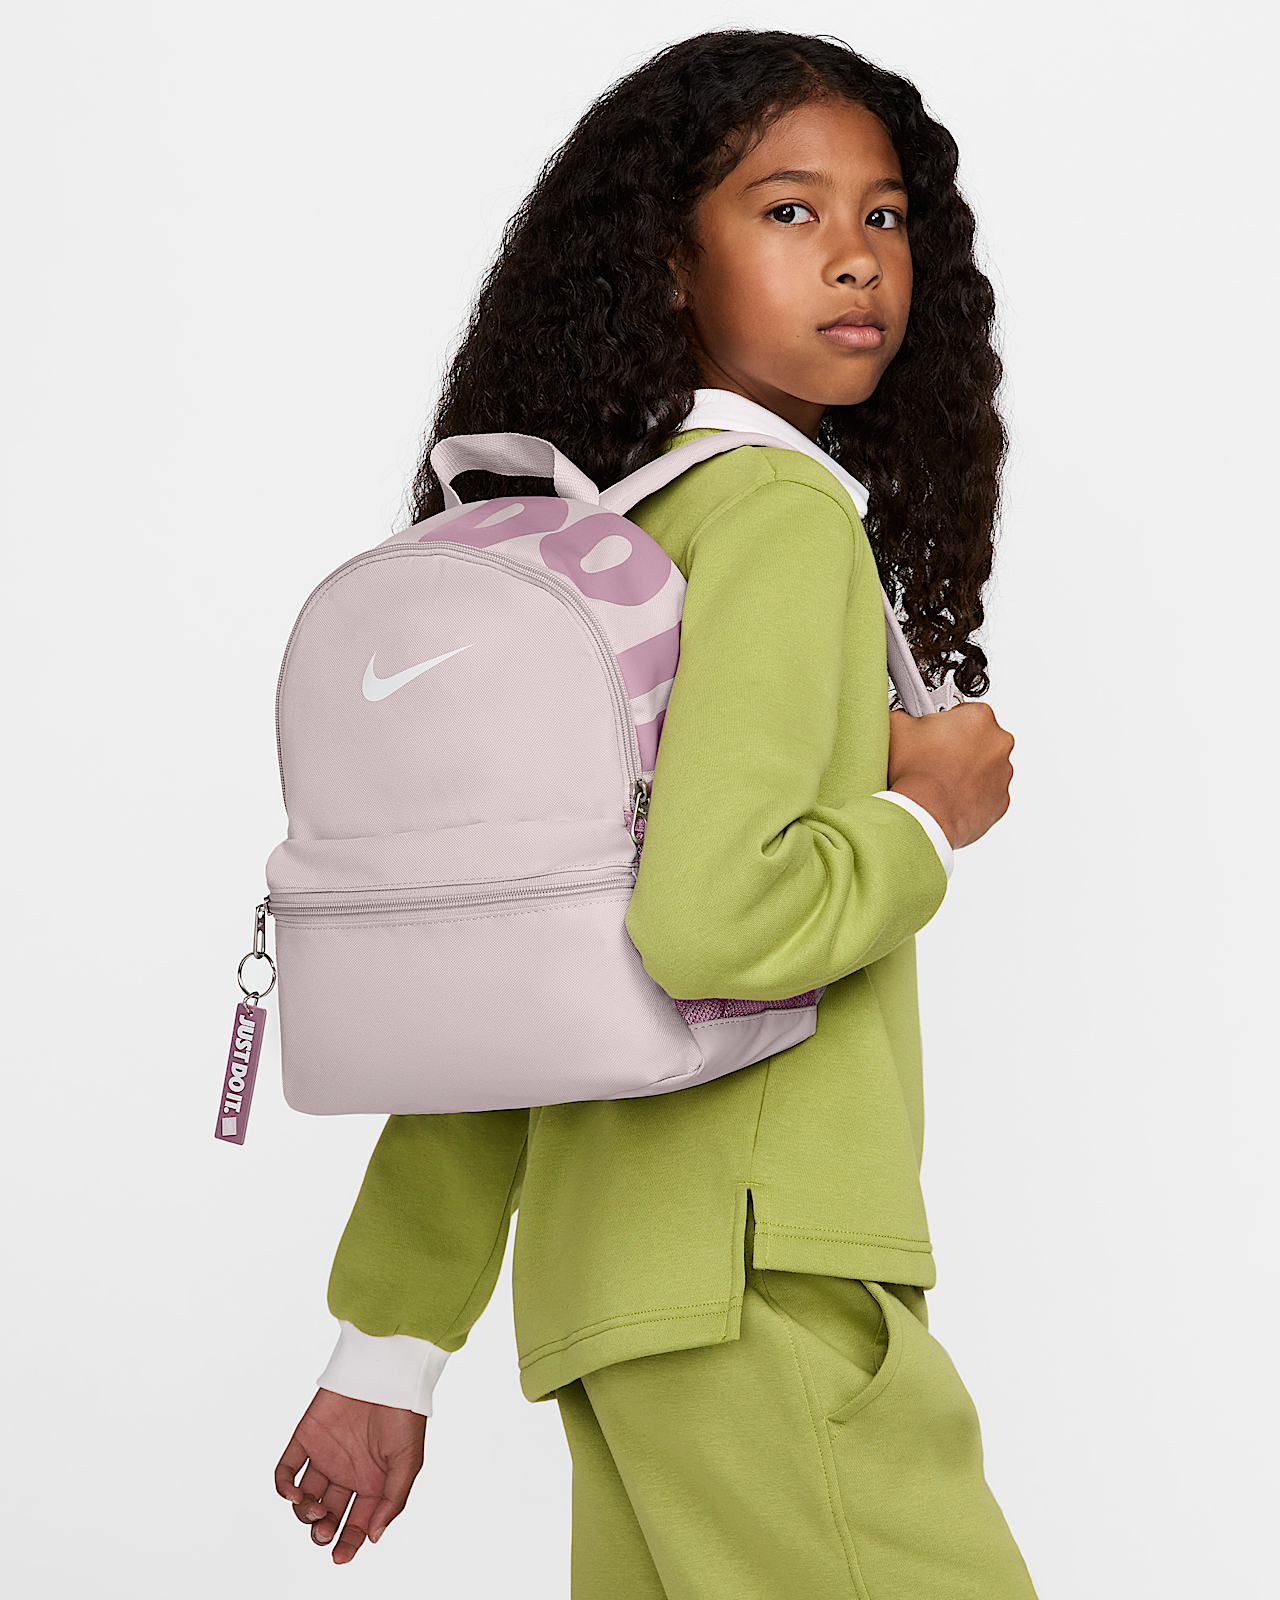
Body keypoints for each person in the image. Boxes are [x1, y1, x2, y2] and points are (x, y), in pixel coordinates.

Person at [274, 29, 1033, 1598]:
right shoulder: (776, 512)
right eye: (787, 210)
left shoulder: (601, 543)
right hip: (767, 1277)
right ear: (670, 263)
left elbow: (497, 990)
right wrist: (925, 816)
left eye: (884, 216)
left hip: (619, 1311)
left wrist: (389, 1350)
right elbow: (714, 924)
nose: (854, 257)